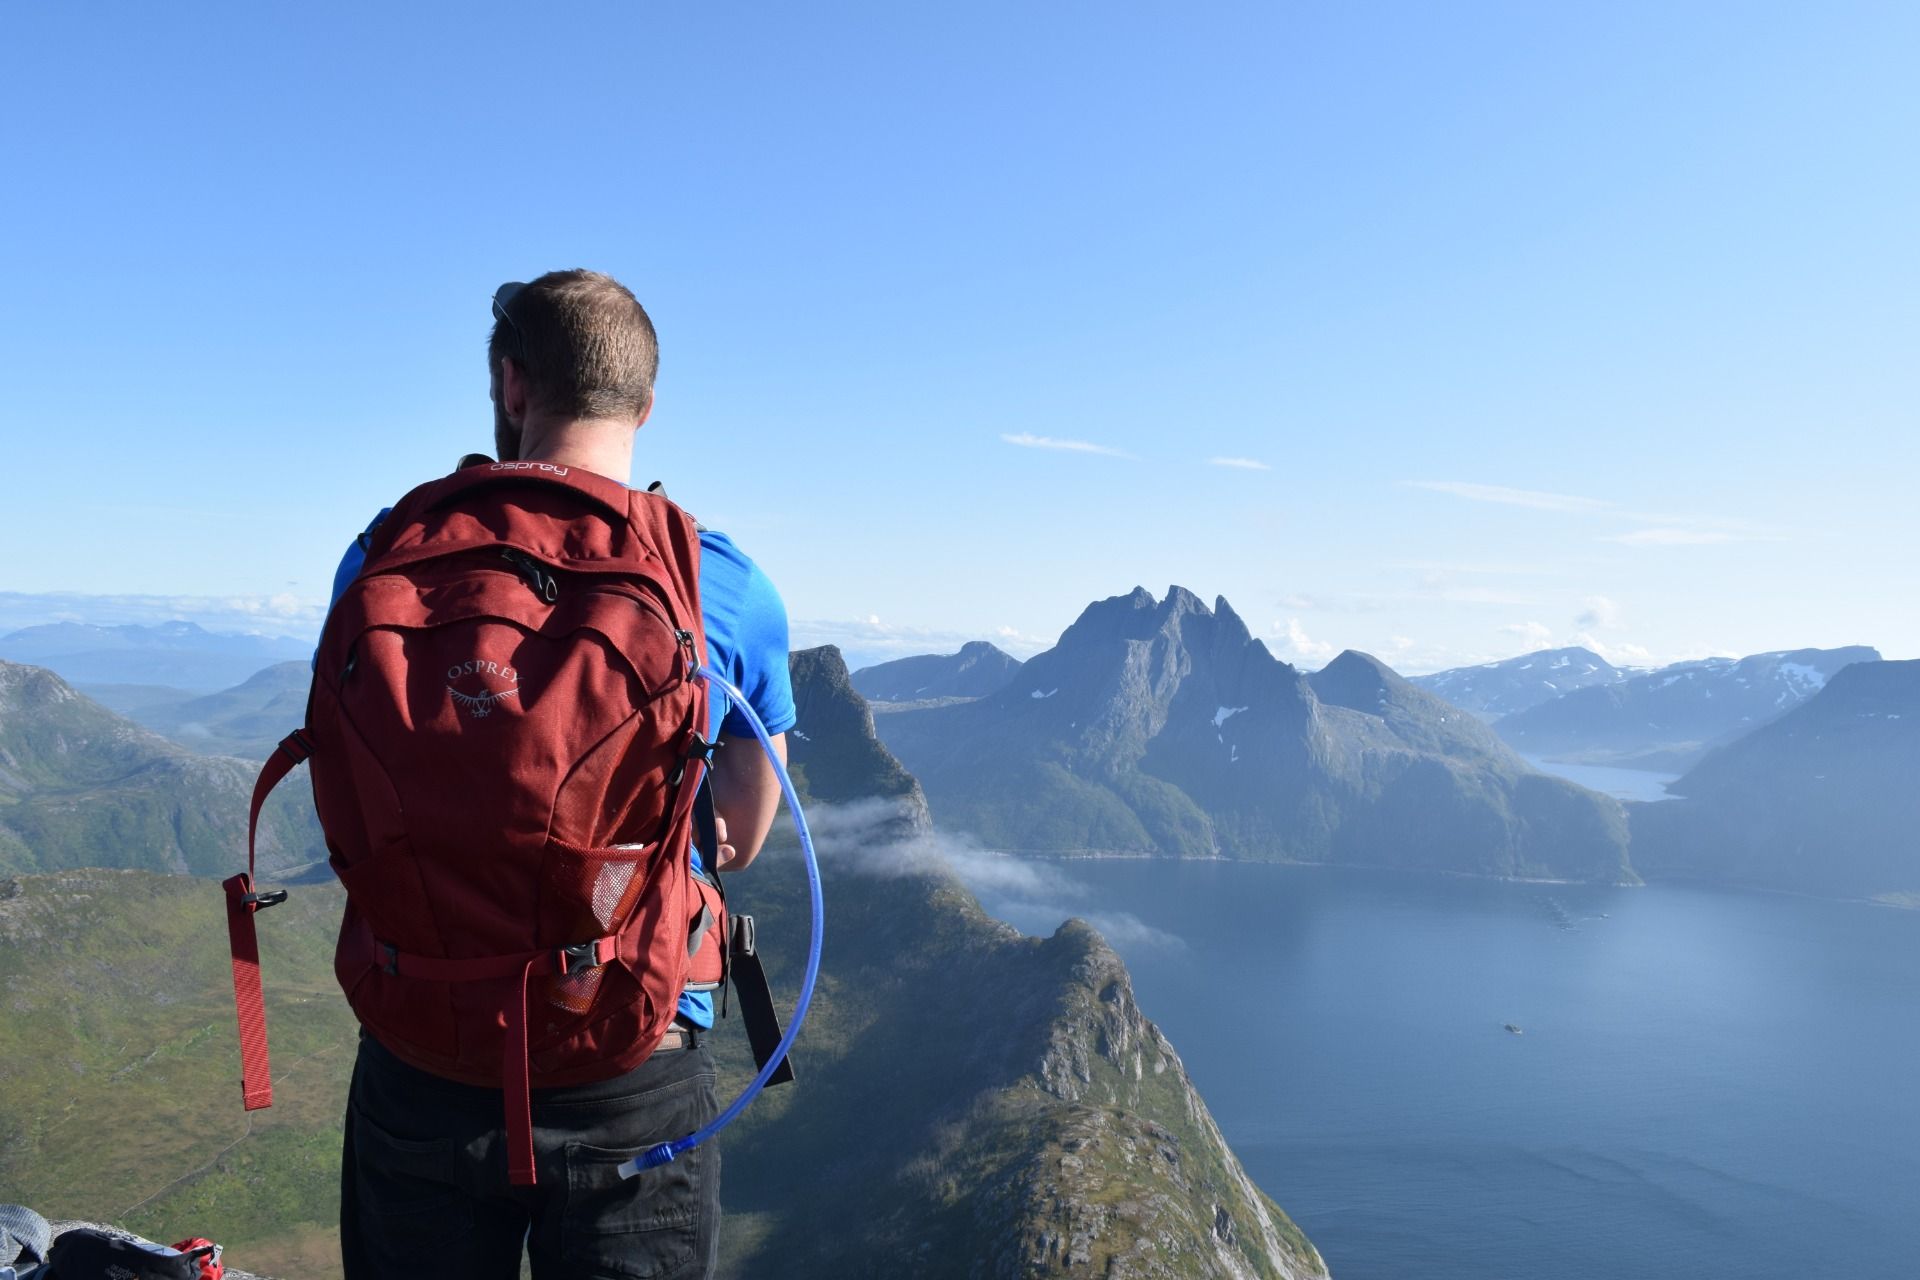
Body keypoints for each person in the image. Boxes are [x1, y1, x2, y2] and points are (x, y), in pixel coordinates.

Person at [328, 270, 795, 1279]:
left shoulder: (380, 558)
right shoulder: (725, 584)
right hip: (628, 1061)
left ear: (511, 383)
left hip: (423, 1054)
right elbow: (743, 835)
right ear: (646, 405)